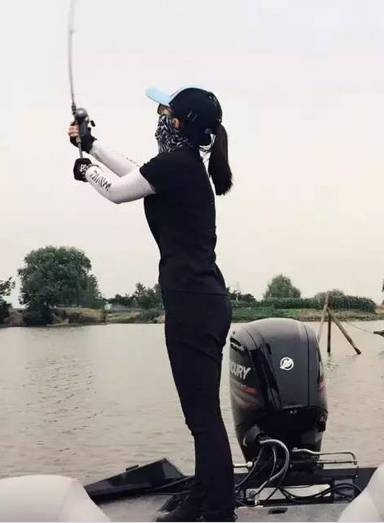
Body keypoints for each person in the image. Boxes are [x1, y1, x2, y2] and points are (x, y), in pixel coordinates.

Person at [67, 87, 236, 522]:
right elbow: (135, 173)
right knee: (201, 414)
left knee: (202, 417)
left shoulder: (177, 165)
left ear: (178, 123)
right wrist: (91, 144)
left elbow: (118, 190)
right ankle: (205, 496)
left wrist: (86, 169)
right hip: (201, 301)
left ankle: (218, 508)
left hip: (193, 304)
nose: (159, 119)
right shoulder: (182, 166)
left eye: (165, 112)